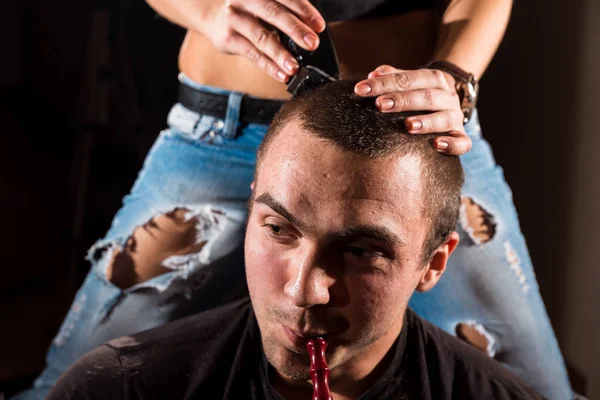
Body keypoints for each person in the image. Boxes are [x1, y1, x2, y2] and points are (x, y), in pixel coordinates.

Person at [14, 1, 573, 399]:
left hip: (416, 134)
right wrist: (206, 11)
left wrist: (455, 80)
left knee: (539, 390)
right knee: (73, 381)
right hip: (225, 126)